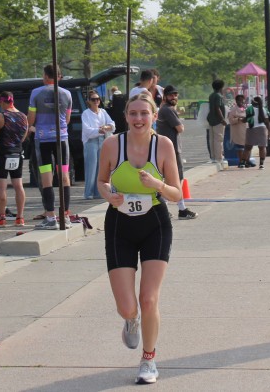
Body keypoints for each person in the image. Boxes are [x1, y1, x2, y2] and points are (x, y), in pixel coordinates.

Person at [97, 91, 182, 385]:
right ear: (125, 117)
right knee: (127, 306)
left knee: (148, 298)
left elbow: (177, 193)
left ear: (154, 116)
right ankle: (130, 320)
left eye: (144, 113)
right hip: (119, 224)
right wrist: (108, 194)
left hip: (155, 224)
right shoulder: (112, 144)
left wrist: (157, 183)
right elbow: (101, 181)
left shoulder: (164, 145)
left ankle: (148, 359)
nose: (138, 118)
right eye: (133, 113)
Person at [27, 65, 73, 230]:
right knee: (64, 176)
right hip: (62, 138)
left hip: (43, 139)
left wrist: (34, 125)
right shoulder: (67, 94)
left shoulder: (36, 92)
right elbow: (67, 119)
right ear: (59, 76)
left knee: (47, 177)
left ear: (46, 76)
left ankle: (50, 217)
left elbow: (30, 119)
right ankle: (65, 215)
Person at [158, 86, 197, 220]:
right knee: (176, 179)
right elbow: (180, 128)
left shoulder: (166, 109)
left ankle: (167, 208)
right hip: (172, 150)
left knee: (170, 180)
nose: (174, 97)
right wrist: (180, 123)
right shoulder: (168, 110)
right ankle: (181, 209)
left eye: (175, 95)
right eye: (170, 95)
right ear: (165, 97)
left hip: (169, 149)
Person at [0, 90, 29, 226]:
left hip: (3, 153)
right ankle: (20, 217)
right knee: (18, 185)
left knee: (1, 186)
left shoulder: (1, 116)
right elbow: (23, 138)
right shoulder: (23, 116)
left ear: (2, 102)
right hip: (17, 153)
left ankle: (2, 217)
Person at [82, 89, 115, 200]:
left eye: (97, 99)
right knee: (91, 168)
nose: (96, 101)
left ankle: (98, 192)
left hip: (103, 140)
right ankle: (88, 193)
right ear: (89, 101)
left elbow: (112, 124)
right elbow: (87, 130)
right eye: (93, 99)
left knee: (101, 168)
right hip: (91, 142)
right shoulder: (86, 113)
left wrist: (106, 127)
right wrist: (99, 130)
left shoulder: (103, 112)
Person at [244, 96, 270, 169]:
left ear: (252, 102)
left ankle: (244, 163)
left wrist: (240, 119)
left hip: (251, 129)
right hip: (261, 128)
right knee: (262, 147)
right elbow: (267, 121)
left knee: (248, 147)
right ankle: (261, 164)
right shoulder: (264, 109)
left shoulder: (249, 109)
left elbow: (246, 119)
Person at [206, 79, 227, 171]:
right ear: (221, 87)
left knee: (212, 139)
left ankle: (213, 157)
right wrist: (222, 119)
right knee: (219, 140)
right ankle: (219, 158)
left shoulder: (211, 95)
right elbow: (217, 108)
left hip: (211, 119)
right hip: (218, 121)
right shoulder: (219, 96)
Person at [228, 94, 250, 167]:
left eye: (242, 100)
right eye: (239, 100)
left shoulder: (245, 108)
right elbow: (231, 120)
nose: (241, 102)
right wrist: (239, 119)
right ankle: (241, 162)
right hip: (238, 132)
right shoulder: (233, 110)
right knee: (240, 148)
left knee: (247, 147)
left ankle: (247, 161)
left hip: (246, 130)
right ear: (236, 101)